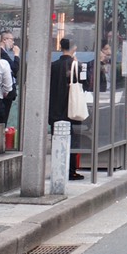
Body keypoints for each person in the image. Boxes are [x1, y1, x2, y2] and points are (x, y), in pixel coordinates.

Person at [50, 37, 85, 179]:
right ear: (74, 48)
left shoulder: (53, 65)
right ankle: (70, 171)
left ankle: (57, 169)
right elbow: (85, 83)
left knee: (56, 139)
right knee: (72, 140)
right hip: (70, 109)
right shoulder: (76, 65)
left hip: (54, 109)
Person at [0, 31, 19, 125]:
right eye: (11, 40)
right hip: (3, 94)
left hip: (3, 93)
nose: (13, 43)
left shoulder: (4, 53)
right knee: (2, 121)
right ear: (4, 40)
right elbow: (14, 68)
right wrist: (17, 55)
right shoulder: (2, 54)